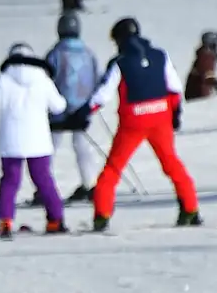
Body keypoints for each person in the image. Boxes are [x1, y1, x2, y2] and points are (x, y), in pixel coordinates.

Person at [71, 18, 200, 231]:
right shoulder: (160, 55)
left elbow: (103, 94)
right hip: (161, 116)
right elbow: (175, 88)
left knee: (113, 168)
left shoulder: (120, 62)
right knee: (172, 164)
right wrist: (175, 114)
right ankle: (190, 208)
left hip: (133, 121)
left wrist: (83, 114)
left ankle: (102, 215)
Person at [0, 43, 68, 238]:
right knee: (43, 179)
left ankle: (5, 223)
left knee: (10, 181)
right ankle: (55, 220)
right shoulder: (43, 80)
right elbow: (59, 107)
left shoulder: (3, 80)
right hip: (38, 141)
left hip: (11, 142)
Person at [44, 12, 100, 203]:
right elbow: (96, 78)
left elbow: (47, 79)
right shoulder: (88, 53)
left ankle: (43, 186)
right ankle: (90, 184)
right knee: (82, 146)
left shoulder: (55, 53)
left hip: (58, 110)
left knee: (49, 147)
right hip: (82, 110)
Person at [185, 31, 217, 101]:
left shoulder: (204, 55)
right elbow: (207, 77)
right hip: (198, 95)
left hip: (196, 94)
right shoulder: (206, 56)